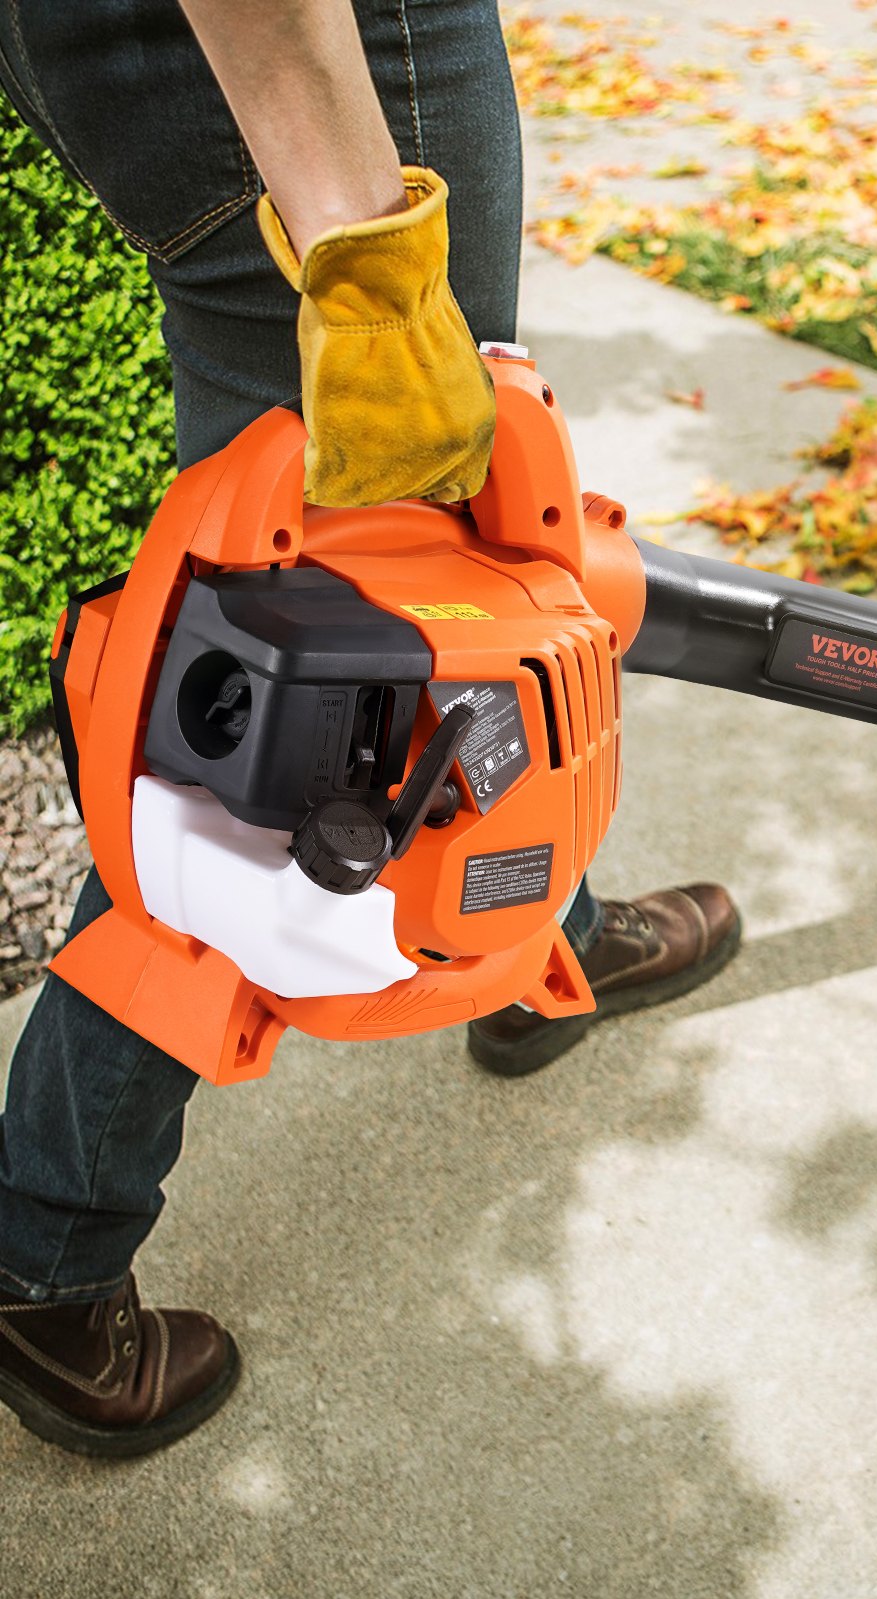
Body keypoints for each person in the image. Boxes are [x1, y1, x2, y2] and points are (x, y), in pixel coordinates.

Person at [0, 0, 741, 1459]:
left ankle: (535, 937)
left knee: (456, 596)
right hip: (312, 51)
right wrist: (363, 250)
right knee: (270, 734)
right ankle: (46, 1259)